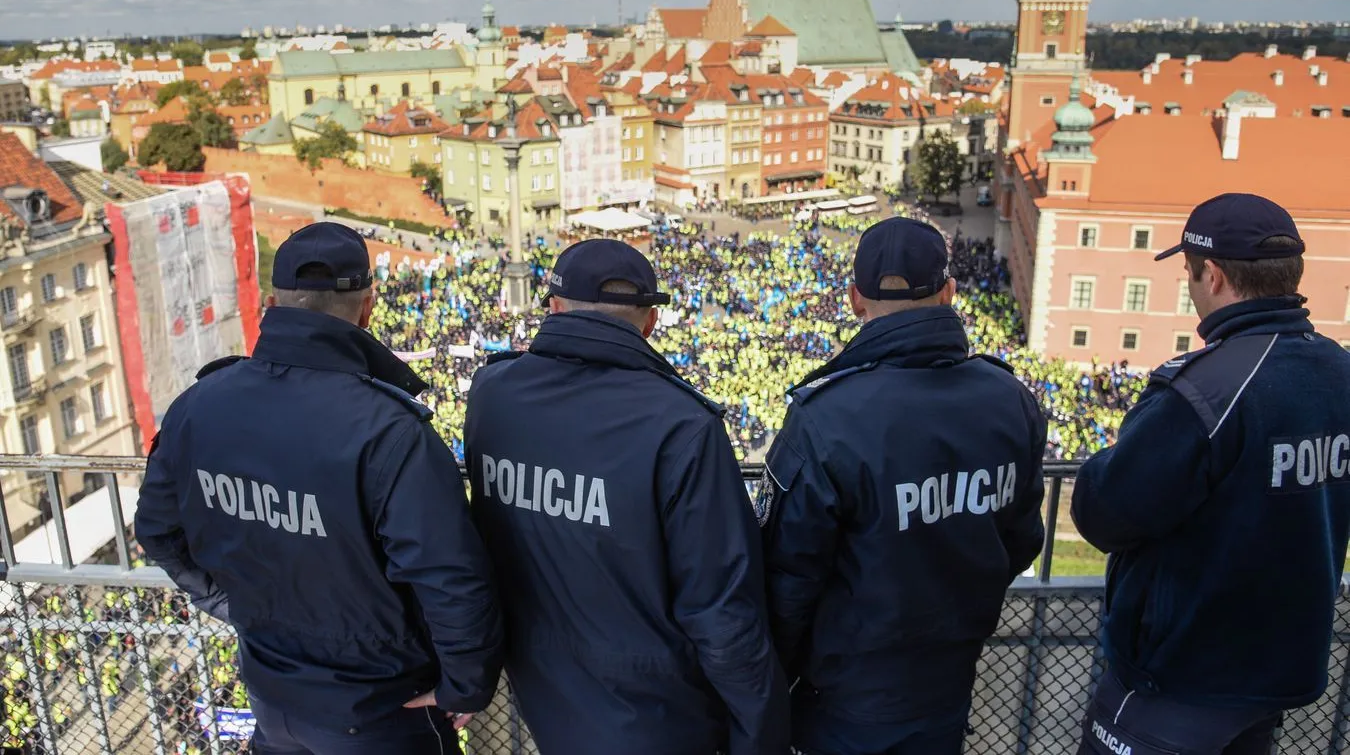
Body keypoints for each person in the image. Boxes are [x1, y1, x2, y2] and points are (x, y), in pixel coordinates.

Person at [135, 222, 504, 755]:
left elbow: (157, 530)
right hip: (381, 706)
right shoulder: (390, 430)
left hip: (272, 693)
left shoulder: (198, 405)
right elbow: (449, 578)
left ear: (271, 302)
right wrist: (466, 683)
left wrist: (231, 603)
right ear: (368, 306)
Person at [464, 238, 789, 755]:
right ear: (650, 323)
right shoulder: (682, 423)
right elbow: (722, 611)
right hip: (659, 716)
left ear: (552, 308)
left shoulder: (491, 393)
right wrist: (762, 734)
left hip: (544, 699)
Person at [1072, 193, 1350, 755]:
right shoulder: (1341, 371)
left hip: (1179, 680)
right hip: (1274, 673)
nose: (1192, 288)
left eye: (1190, 275)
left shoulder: (1207, 387)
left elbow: (1104, 513)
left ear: (1215, 276)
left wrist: (1113, 454)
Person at [761, 217, 1046, 755]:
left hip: (846, 696)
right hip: (949, 674)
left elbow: (787, 579)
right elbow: (1022, 539)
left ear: (853, 299)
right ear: (949, 293)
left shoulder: (828, 416)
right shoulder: (1010, 399)